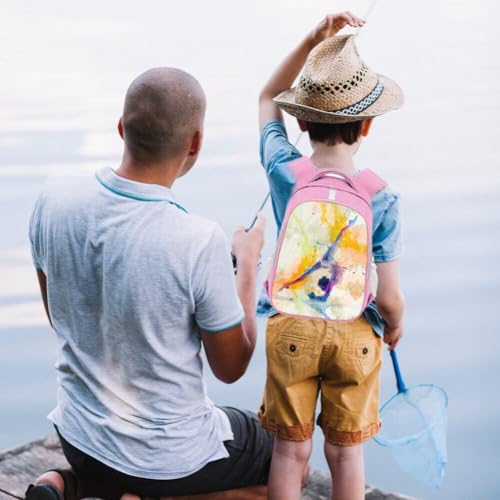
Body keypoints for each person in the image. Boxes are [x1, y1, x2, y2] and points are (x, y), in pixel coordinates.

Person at [26, 67, 272, 500]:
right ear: (196, 142)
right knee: (284, 457)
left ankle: (74, 484)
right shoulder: (198, 240)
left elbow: (58, 315)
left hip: (78, 436)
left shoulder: (53, 196)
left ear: (121, 129)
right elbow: (231, 368)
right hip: (167, 461)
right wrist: (248, 266)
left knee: (119, 463)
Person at [257, 12, 405, 500]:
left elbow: (264, 98)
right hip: (355, 334)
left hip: (291, 326)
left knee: (289, 452)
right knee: (345, 454)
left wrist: (310, 41)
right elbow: (391, 297)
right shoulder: (380, 195)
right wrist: (395, 326)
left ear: (300, 119)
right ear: (367, 126)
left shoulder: (284, 169)